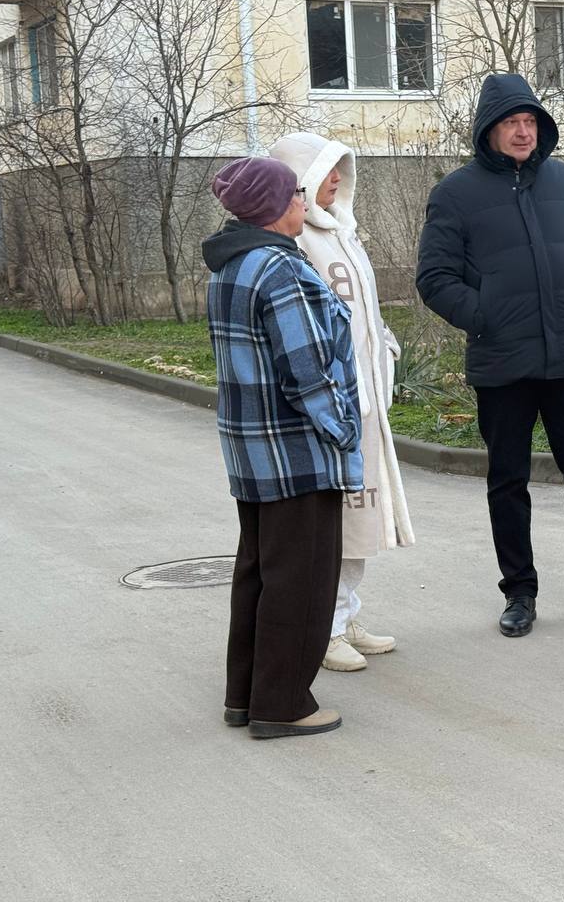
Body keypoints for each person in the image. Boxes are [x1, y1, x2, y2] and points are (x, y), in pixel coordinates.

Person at [416, 72, 564, 638]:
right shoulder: (454, 193)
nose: (522, 132)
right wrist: (486, 315)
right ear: (488, 131)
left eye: (530, 121)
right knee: (508, 480)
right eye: (512, 123)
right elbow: (435, 278)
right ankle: (519, 591)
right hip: (503, 362)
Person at [202, 156, 362, 739]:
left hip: (251, 451)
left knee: (261, 573)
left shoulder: (231, 265)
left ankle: (246, 696)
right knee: (302, 578)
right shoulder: (280, 269)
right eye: (295, 194)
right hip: (296, 452)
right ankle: (283, 704)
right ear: (272, 208)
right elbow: (307, 371)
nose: (303, 202)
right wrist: (343, 430)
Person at [270, 132, 415, 673]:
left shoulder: (344, 234)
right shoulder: (295, 241)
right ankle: (323, 627)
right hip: (330, 405)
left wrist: (386, 345)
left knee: (360, 517)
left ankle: (345, 613)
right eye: (329, 169)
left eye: (341, 170)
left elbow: (362, 313)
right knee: (331, 521)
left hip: (366, 402)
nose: (338, 179)